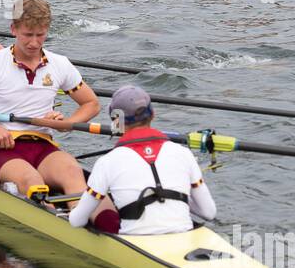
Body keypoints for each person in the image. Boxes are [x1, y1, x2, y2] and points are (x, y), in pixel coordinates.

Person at [0, 0, 99, 202]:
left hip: (43, 145)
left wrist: (69, 123)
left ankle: (82, 224)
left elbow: (91, 103)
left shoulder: (60, 64)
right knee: (32, 182)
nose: (34, 42)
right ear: (13, 29)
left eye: (40, 35)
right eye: (27, 35)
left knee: (74, 175)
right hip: (2, 148)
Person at [67, 86, 216, 235]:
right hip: (183, 236)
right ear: (153, 114)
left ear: (116, 121)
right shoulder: (183, 153)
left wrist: (75, 208)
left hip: (137, 244)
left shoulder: (107, 162)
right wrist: (176, 197)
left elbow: (76, 221)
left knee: (100, 203)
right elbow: (209, 213)